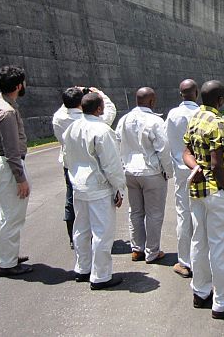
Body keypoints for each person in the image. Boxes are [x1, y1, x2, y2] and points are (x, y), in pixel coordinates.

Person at [182, 80, 224, 319]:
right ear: (221, 99)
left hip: (197, 191)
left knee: (199, 243)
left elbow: (186, 152)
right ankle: (223, 302)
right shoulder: (219, 123)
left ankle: (200, 293)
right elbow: (217, 165)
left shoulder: (195, 118)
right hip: (217, 192)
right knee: (222, 248)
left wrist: (195, 168)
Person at [62, 92, 126, 290]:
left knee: (81, 229)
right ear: (99, 109)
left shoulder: (71, 128)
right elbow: (111, 164)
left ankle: (83, 268)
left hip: (78, 185)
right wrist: (118, 187)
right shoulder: (102, 130)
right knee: (102, 232)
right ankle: (101, 276)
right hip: (98, 187)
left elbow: (66, 158)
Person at [52, 86, 116, 249]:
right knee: (98, 210)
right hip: (94, 170)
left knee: (71, 202)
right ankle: (95, 240)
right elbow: (110, 111)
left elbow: (65, 107)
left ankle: (74, 238)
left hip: (70, 164)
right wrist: (100, 94)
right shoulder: (93, 122)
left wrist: (71, 93)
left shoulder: (58, 118)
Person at [116, 87, 173, 263]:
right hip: (151, 171)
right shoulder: (155, 121)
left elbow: (117, 142)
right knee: (154, 213)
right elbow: (163, 148)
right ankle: (152, 251)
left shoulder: (124, 119)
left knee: (135, 211)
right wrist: (168, 172)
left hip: (129, 171)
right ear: (152, 101)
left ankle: (137, 249)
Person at [0, 65, 33, 277]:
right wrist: (21, 178)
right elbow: (12, 149)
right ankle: (6, 264)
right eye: (23, 82)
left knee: (6, 214)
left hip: (0, 163)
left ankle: (8, 255)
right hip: (8, 165)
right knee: (12, 216)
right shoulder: (7, 111)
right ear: (17, 85)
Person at [165, 79, 200, 278]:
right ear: (196, 93)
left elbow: (166, 141)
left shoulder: (172, 114)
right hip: (200, 170)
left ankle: (184, 262)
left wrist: (168, 167)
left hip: (181, 170)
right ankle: (202, 259)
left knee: (183, 215)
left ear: (181, 94)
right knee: (201, 216)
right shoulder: (202, 114)